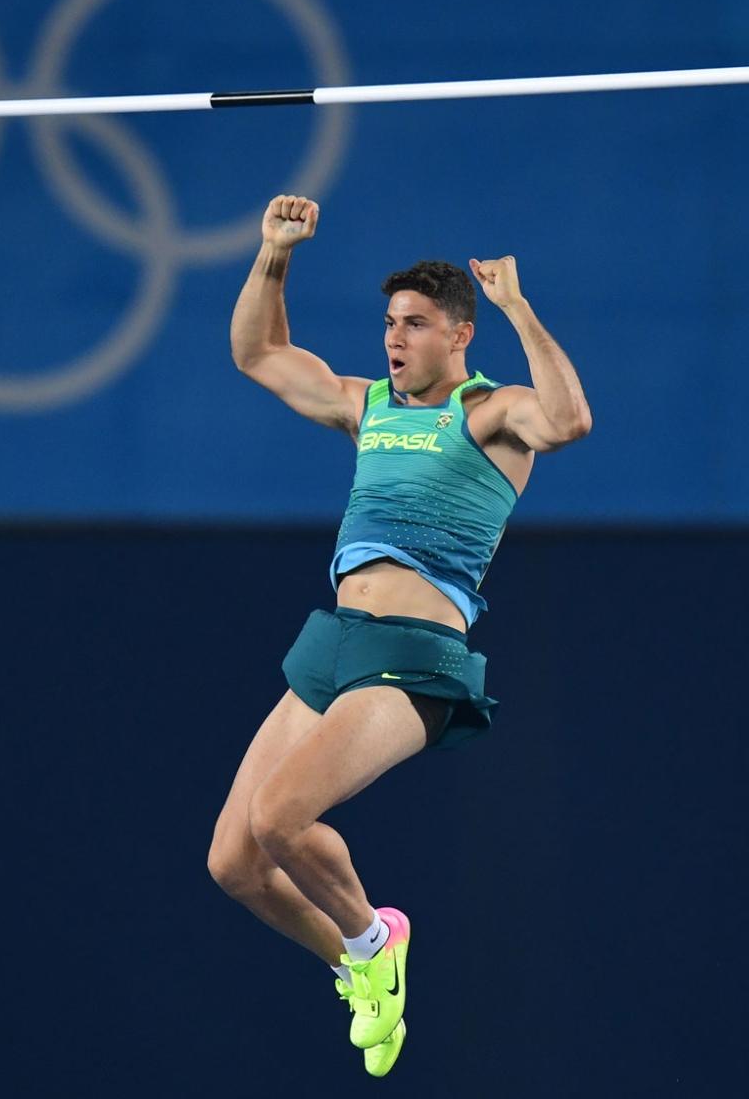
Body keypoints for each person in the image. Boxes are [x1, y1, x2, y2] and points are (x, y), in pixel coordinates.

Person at [207, 195, 593, 1076]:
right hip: (335, 641)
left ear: (457, 336)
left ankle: (374, 935)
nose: (395, 337)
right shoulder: (366, 403)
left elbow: (569, 419)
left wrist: (518, 311)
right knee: (234, 859)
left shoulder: (490, 415)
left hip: (411, 658)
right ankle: (359, 960)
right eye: (389, 322)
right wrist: (272, 255)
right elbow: (256, 354)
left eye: (415, 324)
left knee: (279, 817)